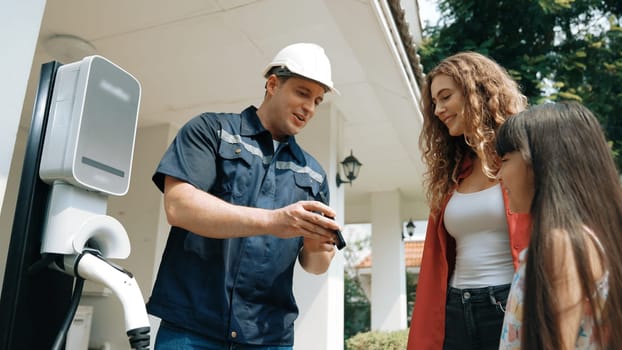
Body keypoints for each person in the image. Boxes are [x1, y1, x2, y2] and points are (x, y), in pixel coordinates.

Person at [146, 42, 342, 350]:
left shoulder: (313, 174)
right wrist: (274, 221)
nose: (310, 108)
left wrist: (318, 247)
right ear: (273, 84)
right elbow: (179, 205)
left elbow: (315, 265)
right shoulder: (211, 131)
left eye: (318, 100)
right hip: (192, 329)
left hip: (268, 338)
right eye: (302, 93)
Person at [406, 52, 532, 350]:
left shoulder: (524, 158)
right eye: (434, 102)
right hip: (454, 309)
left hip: (509, 304)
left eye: (446, 96)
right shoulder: (452, 172)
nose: (438, 109)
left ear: (477, 92)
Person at [496, 101, 622, 349]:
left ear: (540, 163)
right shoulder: (589, 238)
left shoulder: (561, 244)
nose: (499, 175)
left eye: (506, 159)